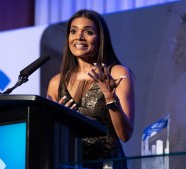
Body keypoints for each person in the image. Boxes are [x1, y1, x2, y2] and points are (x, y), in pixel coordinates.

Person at [47, 9, 135, 168]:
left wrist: (110, 98)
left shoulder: (117, 73)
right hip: (69, 164)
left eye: (88, 32)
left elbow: (125, 134)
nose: (79, 37)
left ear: (100, 39)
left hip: (107, 164)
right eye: (73, 31)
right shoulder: (56, 82)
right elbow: (51, 138)